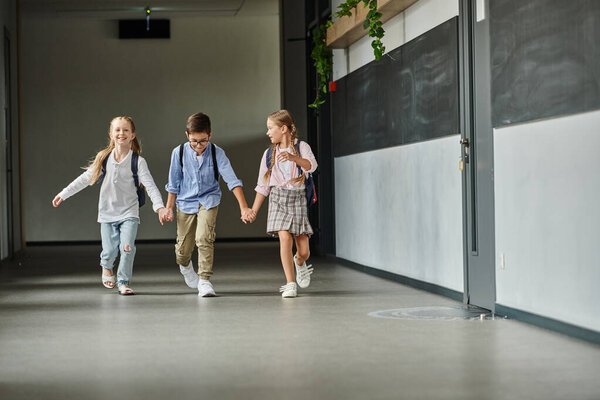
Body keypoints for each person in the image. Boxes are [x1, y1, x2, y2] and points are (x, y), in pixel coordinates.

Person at [52, 116, 169, 295]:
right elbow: (85, 179)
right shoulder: (104, 158)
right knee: (109, 250)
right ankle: (106, 266)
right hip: (107, 212)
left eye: (125, 130)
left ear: (132, 135)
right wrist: (63, 193)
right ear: (111, 134)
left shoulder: (138, 161)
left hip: (129, 211)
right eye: (117, 130)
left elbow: (150, 186)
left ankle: (123, 281)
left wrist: (159, 207)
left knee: (127, 247)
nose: (121, 133)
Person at [164, 112, 254, 297]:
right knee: (182, 250)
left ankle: (204, 280)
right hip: (185, 201)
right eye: (194, 141)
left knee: (204, 237)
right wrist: (168, 208)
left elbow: (232, 181)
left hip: (208, 199)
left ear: (210, 135)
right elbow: (173, 183)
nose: (198, 146)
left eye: (203, 141)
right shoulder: (178, 152)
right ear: (187, 135)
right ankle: (185, 265)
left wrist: (244, 207)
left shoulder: (217, 153)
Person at [248, 110, 317, 298]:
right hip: (278, 198)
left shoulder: (302, 147)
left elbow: (312, 166)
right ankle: (290, 283)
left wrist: (294, 158)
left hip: (297, 198)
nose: (267, 132)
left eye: (270, 128)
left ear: (284, 129)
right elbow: (263, 186)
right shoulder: (269, 153)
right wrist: (253, 210)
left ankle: (300, 263)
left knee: (304, 251)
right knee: (284, 239)